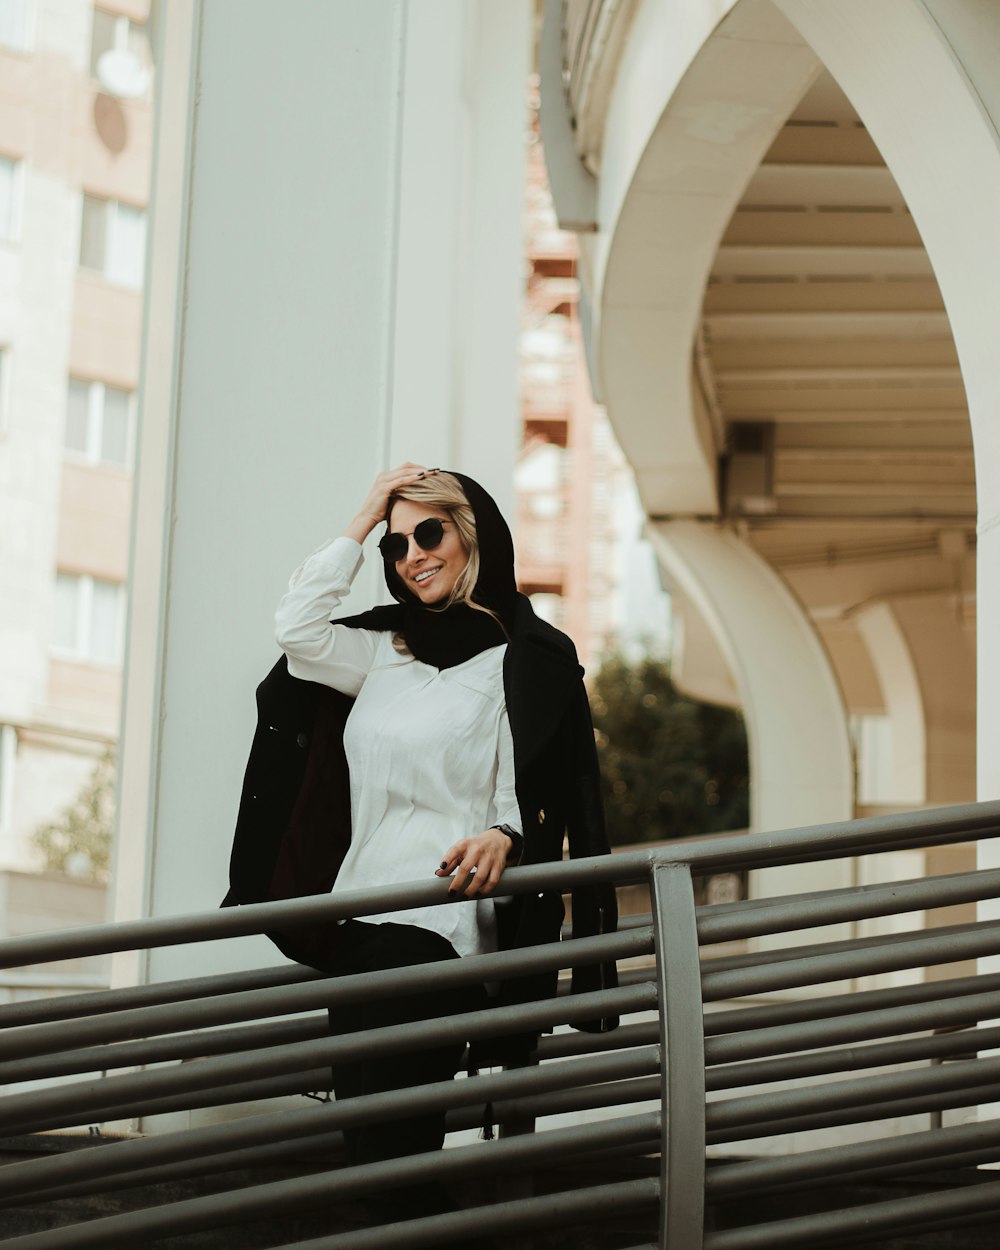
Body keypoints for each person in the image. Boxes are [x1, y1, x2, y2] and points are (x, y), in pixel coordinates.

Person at [224, 464, 617, 1233]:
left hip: (440, 927)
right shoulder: (383, 654)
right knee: (372, 1159)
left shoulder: (523, 660)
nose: (411, 555)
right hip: (358, 922)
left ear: (472, 535)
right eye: (396, 543)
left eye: (428, 532)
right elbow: (297, 627)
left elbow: (526, 795)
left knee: (394, 1158)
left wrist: (505, 835)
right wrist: (365, 513)